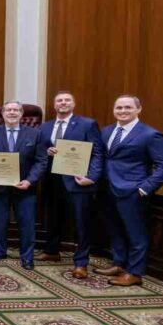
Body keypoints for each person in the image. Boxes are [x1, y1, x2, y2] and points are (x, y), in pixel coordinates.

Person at [94, 95, 163, 286]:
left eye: (128, 107)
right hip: (107, 189)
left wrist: (145, 188)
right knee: (115, 229)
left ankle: (135, 272)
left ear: (138, 109)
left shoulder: (150, 134)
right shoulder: (107, 131)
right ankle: (119, 263)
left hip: (132, 191)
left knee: (136, 233)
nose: (123, 111)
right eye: (119, 108)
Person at [38, 91, 104, 278]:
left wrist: (92, 176)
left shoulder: (87, 124)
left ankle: (81, 262)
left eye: (67, 100)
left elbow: (98, 153)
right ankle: (52, 251)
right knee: (53, 217)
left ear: (73, 104)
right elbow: (40, 150)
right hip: (52, 181)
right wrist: (47, 150)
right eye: (59, 100)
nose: (63, 103)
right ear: (54, 105)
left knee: (81, 222)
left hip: (78, 181)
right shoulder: (45, 127)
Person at [0, 101, 47, 270]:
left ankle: (27, 257)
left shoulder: (35, 134)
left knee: (27, 223)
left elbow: (41, 161)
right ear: (3, 113)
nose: (12, 113)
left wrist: (30, 180)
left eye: (16, 110)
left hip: (24, 187)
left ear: (22, 114)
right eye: (8, 110)